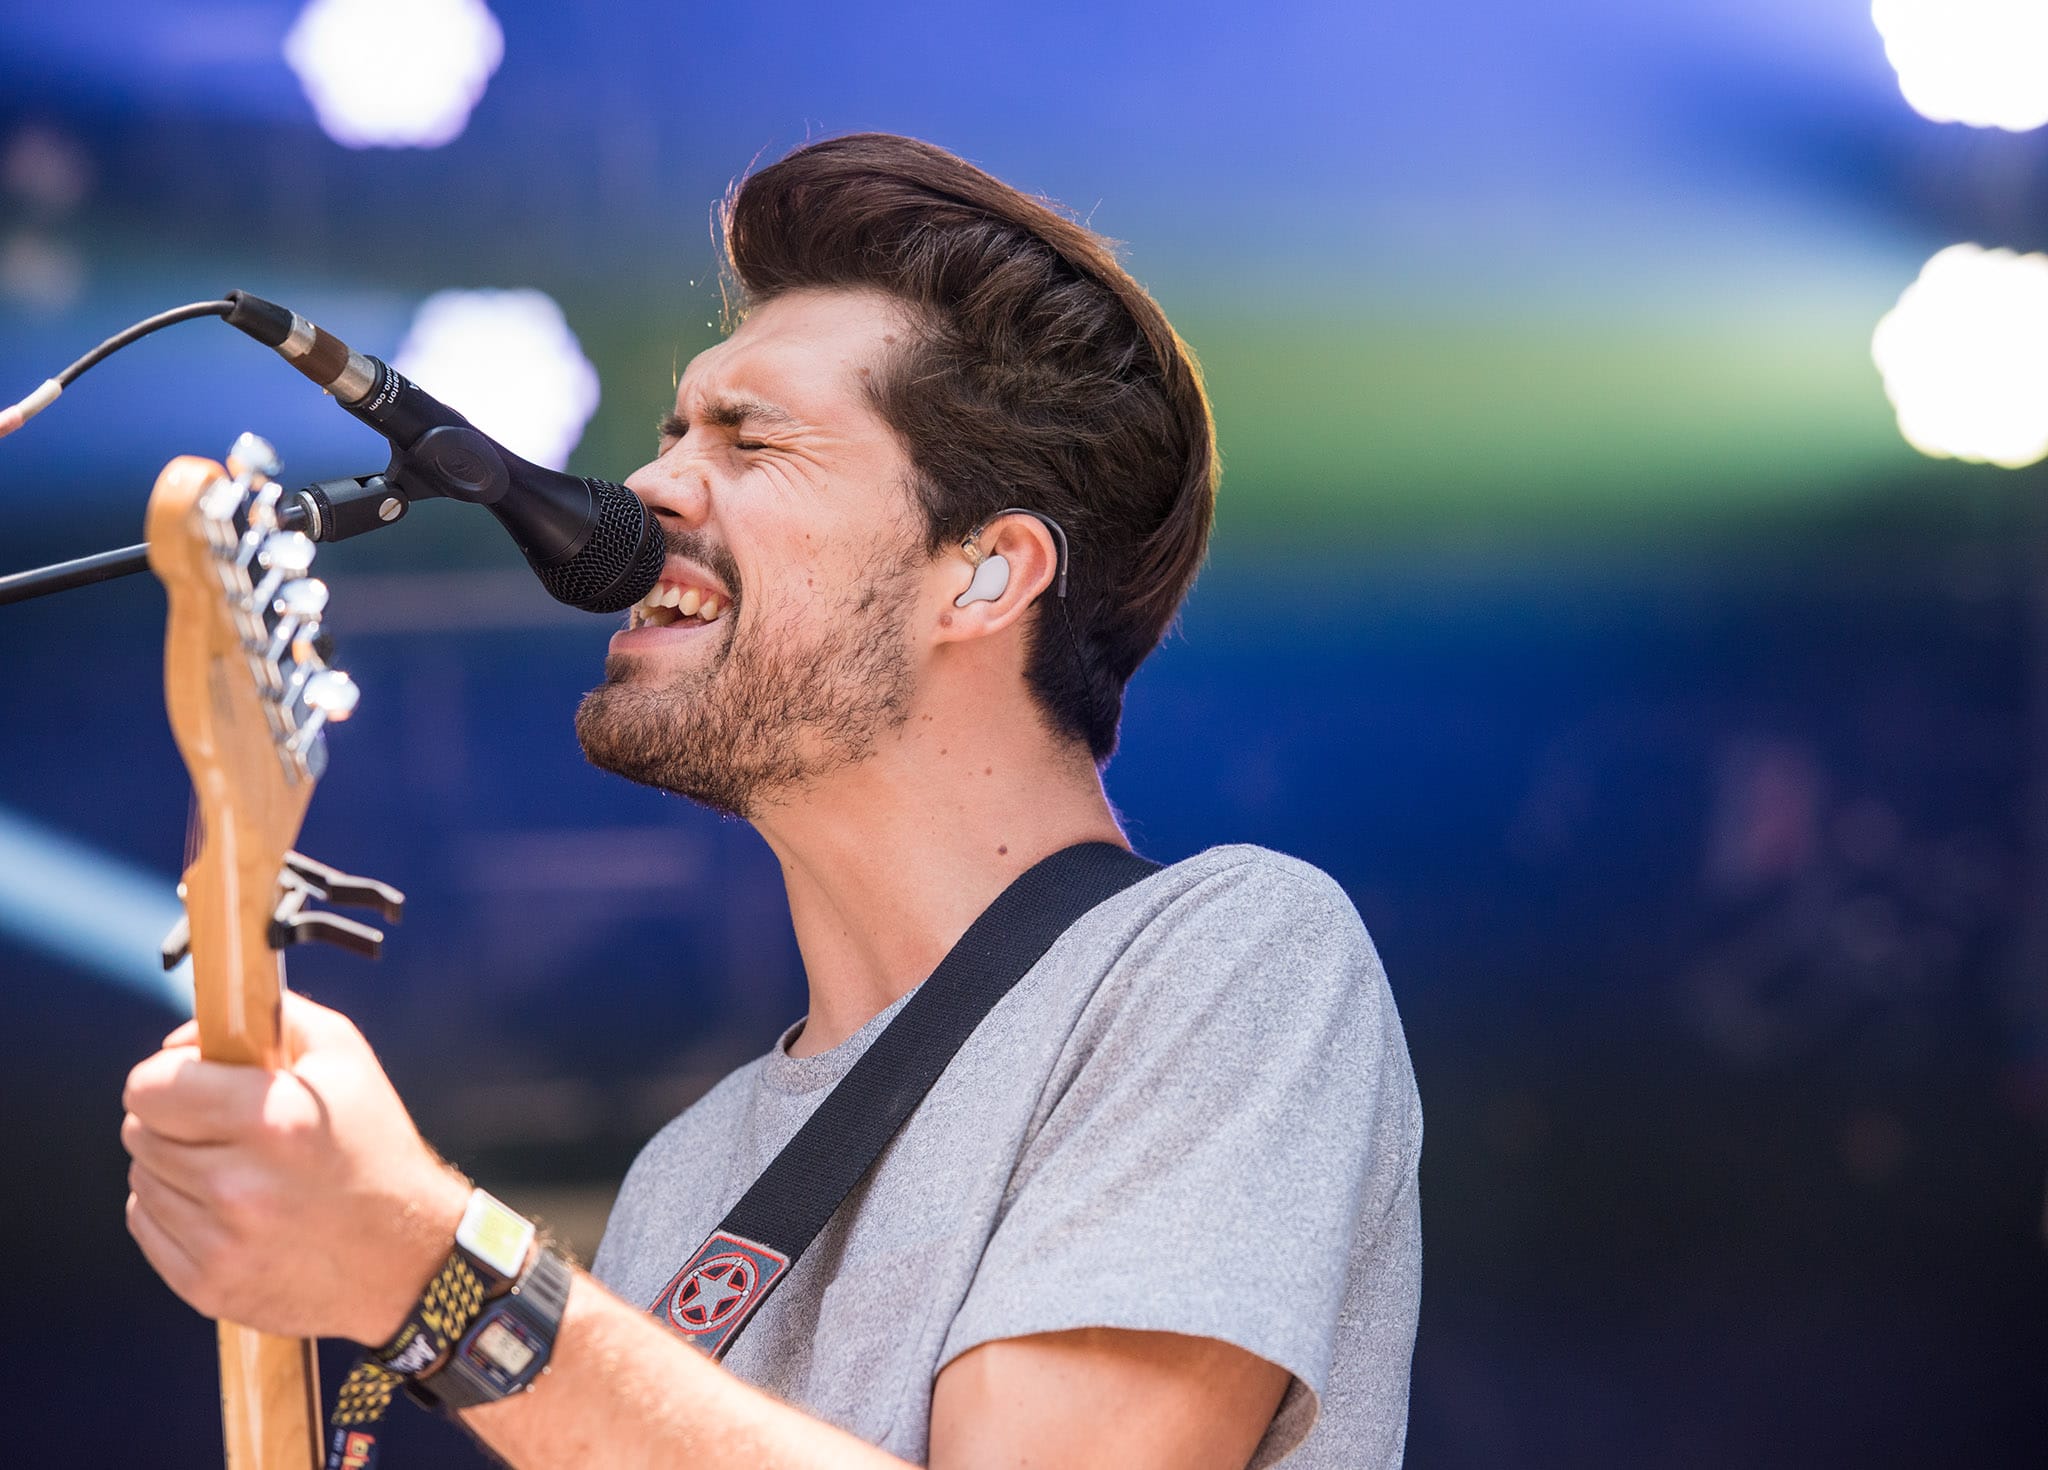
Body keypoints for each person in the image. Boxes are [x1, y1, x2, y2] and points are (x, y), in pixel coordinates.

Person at [119, 133, 1422, 1469]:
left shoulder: (1229, 957)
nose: (650, 486)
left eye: (750, 440)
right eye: (677, 431)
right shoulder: (687, 1175)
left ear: (983, 576)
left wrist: (428, 1270)